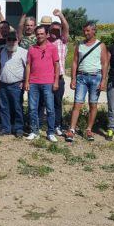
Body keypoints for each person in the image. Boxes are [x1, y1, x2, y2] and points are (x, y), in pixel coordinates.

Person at [67, 22, 109, 142]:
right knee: (77, 104)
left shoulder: (101, 45)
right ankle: (72, 129)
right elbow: (75, 61)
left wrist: (103, 80)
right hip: (81, 77)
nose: (86, 33)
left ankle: (89, 129)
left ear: (94, 31)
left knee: (93, 104)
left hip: (96, 77)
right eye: (84, 31)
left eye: (88, 31)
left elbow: (105, 63)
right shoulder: (79, 44)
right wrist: (73, 78)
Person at [24, 26, 60, 142]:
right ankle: (35, 131)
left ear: (47, 34)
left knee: (50, 109)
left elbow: (56, 65)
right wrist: (27, 81)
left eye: (41, 33)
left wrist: (56, 81)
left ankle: (50, 132)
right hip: (34, 82)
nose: (39, 36)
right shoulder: (32, 48)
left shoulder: (52, 48)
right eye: (37, 34)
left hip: (48, 83)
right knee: (32, 108)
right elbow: (28, 65)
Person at [0, 32, 26, 137]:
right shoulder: (2, 51)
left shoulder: (23, 52)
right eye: (9, 39)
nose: (11, 42)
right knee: (4, 107)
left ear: (18, 40)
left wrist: (25, 81)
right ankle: (6, 128)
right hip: (3, 84)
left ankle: (18, 128)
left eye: (14, 40)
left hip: (16, 85)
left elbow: (28, 68)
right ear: (6, 40)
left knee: (17, 107)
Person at [47, 10, 70, 138]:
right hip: (46, 78)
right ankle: (45, 124)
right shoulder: (46, 41)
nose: (55, 32)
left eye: (57, 30)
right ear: (49, 31)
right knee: (44, 103)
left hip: (59, 78)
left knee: (57, 103)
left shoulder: (63, 40)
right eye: (52, 30)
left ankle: (57, 126)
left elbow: (66, 27)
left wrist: (60, 15)